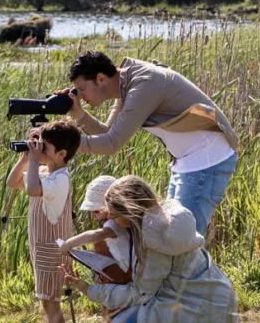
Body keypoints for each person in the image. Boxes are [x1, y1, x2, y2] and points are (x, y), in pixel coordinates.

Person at [63, 51, 241, 236]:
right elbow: (108, 133)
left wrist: (64, 144)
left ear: (100, 79)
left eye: (82, 89)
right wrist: (79, 115)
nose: (80, 96)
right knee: (175, 237)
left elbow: (111, 144)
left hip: (206, 160)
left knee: (183, 240)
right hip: (186, 162)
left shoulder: (143, 85)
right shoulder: (127, 83)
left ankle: (202, 266)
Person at [60, 175, 238, 323]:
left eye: (114, 216)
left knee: (123, 321)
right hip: (219, 299)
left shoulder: (156, 241)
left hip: (200, 310)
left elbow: (140, 293)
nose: (112, 221)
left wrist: (88, 289)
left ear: (129, 213)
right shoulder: (163, 221)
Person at [6, 120, 81, 323]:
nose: (39, 150)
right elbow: (12, 182)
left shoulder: (60, 179)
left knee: (50, 302)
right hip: (42, 248)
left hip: (51, 251)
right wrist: (25, 158)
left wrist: (32, 160)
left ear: (61, 154)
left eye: (44, 147)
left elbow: (32, 189)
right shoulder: (43, 172)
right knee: (46, 301)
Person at [61, 175, 131, 323]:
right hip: (119, 279)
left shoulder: (113, 224)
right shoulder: (121, 223)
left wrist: (69, 243)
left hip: (123, 280)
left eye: (97, 211)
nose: (93, 216)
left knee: (115, 315)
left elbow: (97, 235)